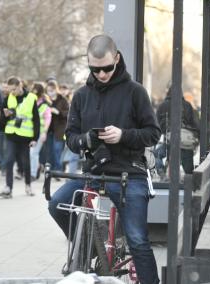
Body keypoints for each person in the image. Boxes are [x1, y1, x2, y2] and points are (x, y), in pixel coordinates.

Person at [48, 34, 161, 284]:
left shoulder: (135, 92)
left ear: (117, 58)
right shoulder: (81, 95)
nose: (101, 74)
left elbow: (153, 134)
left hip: (128, 172)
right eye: (94, 69)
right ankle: (89, 246)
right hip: (94, 171)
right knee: (57, 203)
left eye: (107, 68)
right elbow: (70, 137)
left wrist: (123, 135)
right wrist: (86, 140)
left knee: (138, 239)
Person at [0, 76, 40, 198]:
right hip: (11, 135)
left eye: (14, 89)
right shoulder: (8, 98)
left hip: (25, 136)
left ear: (20, 86)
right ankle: (8, 188)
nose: (12, 92)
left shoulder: (31, 98)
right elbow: (3, 120)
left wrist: (35, 138)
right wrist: (6, 116)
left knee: (26, 162)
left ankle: (28, 186)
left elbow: (36, 119)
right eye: (10, 90)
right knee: (9, 160)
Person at [156, 86, 199, 174]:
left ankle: (161, 171)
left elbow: (157, 124)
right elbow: (194, 123)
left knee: (156, 154)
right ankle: (188, 179)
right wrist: (196, 139)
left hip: (170, 140)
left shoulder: (163, 106)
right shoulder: (187, 105)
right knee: (188, 169)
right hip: (186, 141)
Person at [45, 80, 69, 173]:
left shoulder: (62, 100)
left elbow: (68, 113)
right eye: (48, 91)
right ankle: (50, 170)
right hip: (48, 129)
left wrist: (58, 112)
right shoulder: (46, 100)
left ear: (56, 89)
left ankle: (58, 170)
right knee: (49, 151)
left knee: (57, 150)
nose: (49, 93)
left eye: (51, 90)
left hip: (59, 129)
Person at [30, 82, 51, 180]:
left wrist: (44, 132)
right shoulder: (29, 101)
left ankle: (33, 174)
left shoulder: (44, 105)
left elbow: (48, 119)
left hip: (40, 132)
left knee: (33, 153)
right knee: (30, 153)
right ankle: (37, 166)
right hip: (29, 132)